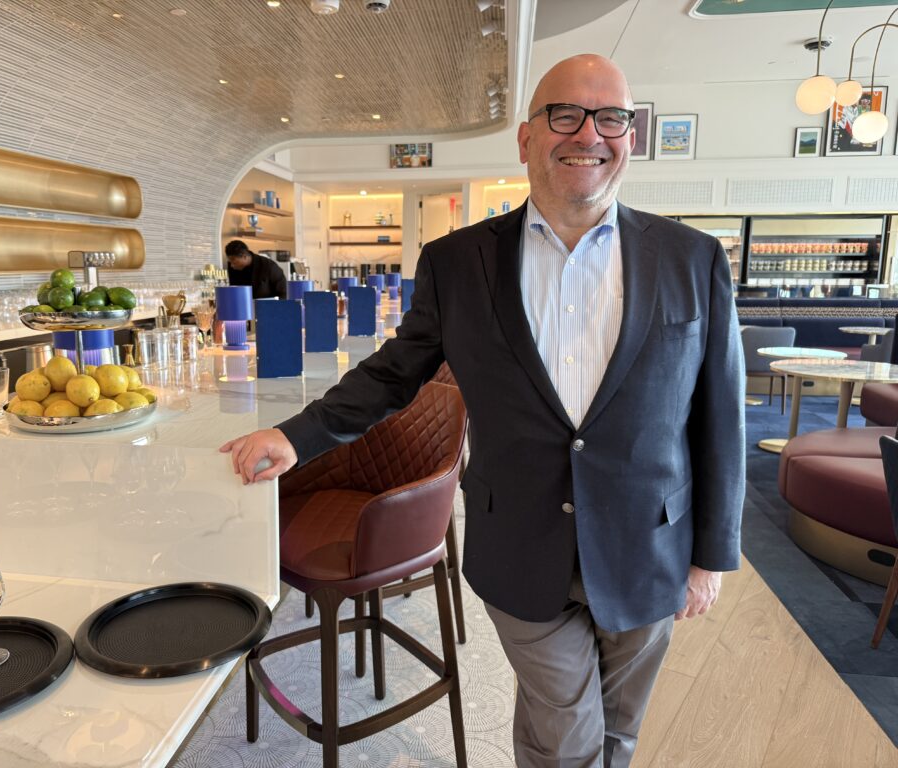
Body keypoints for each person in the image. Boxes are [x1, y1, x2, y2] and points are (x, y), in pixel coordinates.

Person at [220, 54, 744, 768]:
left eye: (611, 118)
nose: (588, 134)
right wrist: (296, 436)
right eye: (565, 114)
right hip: (520, 545)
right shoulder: (456, 262)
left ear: (630, 136)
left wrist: (711, 554)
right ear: (526, 138)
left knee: (617, 725)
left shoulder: (693, 258)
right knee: (572, 733)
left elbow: (719, 416)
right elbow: (393, 374)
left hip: (651, 547)